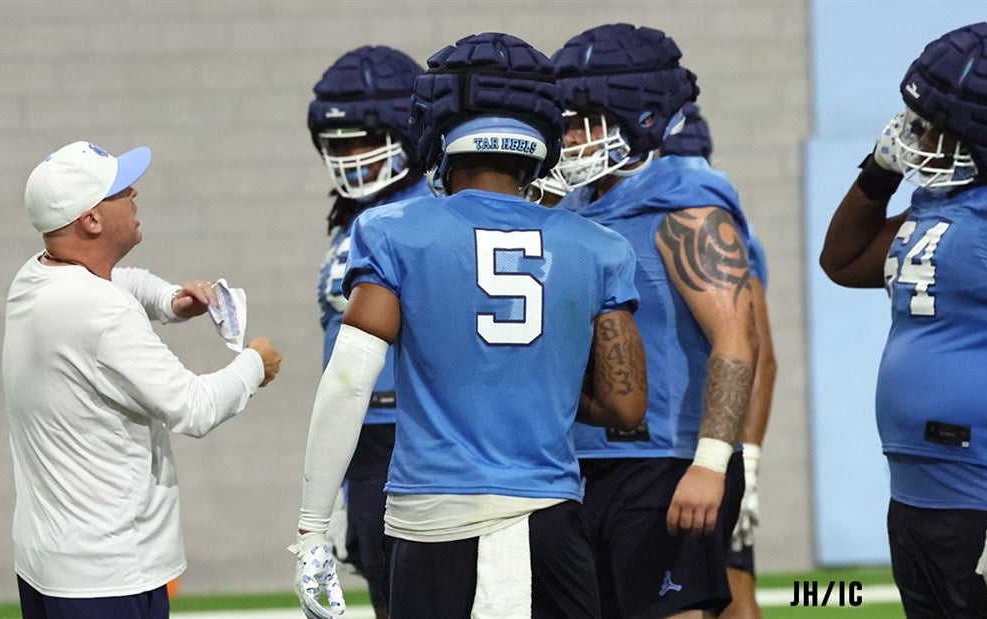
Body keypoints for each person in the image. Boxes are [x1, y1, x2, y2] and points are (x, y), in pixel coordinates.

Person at [290, 32, 648, 619]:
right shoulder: (599, 247)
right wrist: (540, 386)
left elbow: (349, 382)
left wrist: (311, 529)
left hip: (433, 521)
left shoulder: (392, 231)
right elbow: (628, 407)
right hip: (550, 520)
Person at [819, 22, 987, 618]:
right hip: (919, 495)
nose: (914, 133)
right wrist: (877, 175)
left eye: (929, 122)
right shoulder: (945, 203)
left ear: (985, 133)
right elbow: (840, 261)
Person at [3, 141, 283, 619]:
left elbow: (120, 281)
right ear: (91, 220)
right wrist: (256, 364)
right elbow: (193, 408)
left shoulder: (34, 276)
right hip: (108, 578)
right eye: (120, 191)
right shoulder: (101, 312)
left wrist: (172, 302)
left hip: (49, 569)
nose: (135, 193)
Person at [550, 23, 758, 618]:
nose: (564, 139)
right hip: (579, 464)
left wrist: (710, 464)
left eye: (578, 122)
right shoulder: (576, 207)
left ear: (634, 119)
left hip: (666, 460)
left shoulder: (687, 206)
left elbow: (736, 342)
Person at [308, 45, 428, 619]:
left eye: (364, 139)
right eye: (339, 144)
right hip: (365, 432)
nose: (351, 158)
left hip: (414, 425)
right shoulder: (353, 223)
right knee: (387, 595)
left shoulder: (426, 210)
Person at [662, 103, 776, 619]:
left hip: (699, 441)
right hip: (680, 440)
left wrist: (745, 460)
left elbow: (760, 353)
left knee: (726, 582)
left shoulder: (709, 225)